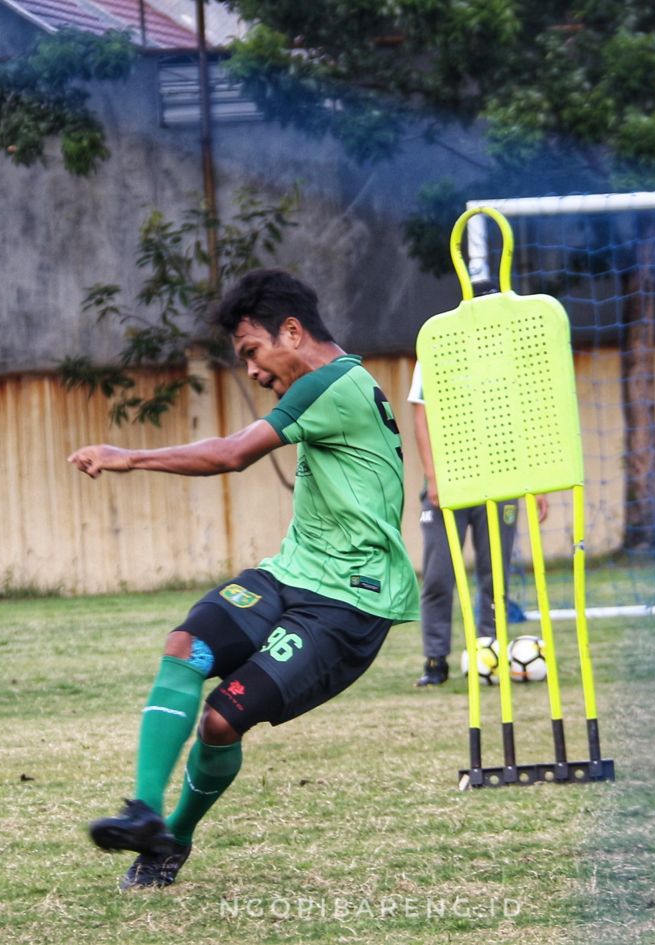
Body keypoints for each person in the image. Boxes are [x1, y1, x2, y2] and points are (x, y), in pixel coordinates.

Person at [69, 269, 418, 889]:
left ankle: (174, 836)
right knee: (186, 647)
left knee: (221, 720)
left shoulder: (331, 382)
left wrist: (132, 457)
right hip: (289, 575)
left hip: (346, 606)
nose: (254, 371)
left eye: (252, 352)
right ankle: (144, 813)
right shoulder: (336, 384)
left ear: (292, 331)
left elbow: (233, 453)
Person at [407, 360, 547, 686]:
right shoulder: (434, 349)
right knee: (439, 576)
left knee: (495, 578)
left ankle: (489, 655)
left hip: (501, 484)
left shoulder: (504, 354)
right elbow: (421, 415)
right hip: (449, 486)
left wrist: (534, 482)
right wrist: (433, 477)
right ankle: (435, 660)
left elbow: (521, 417)